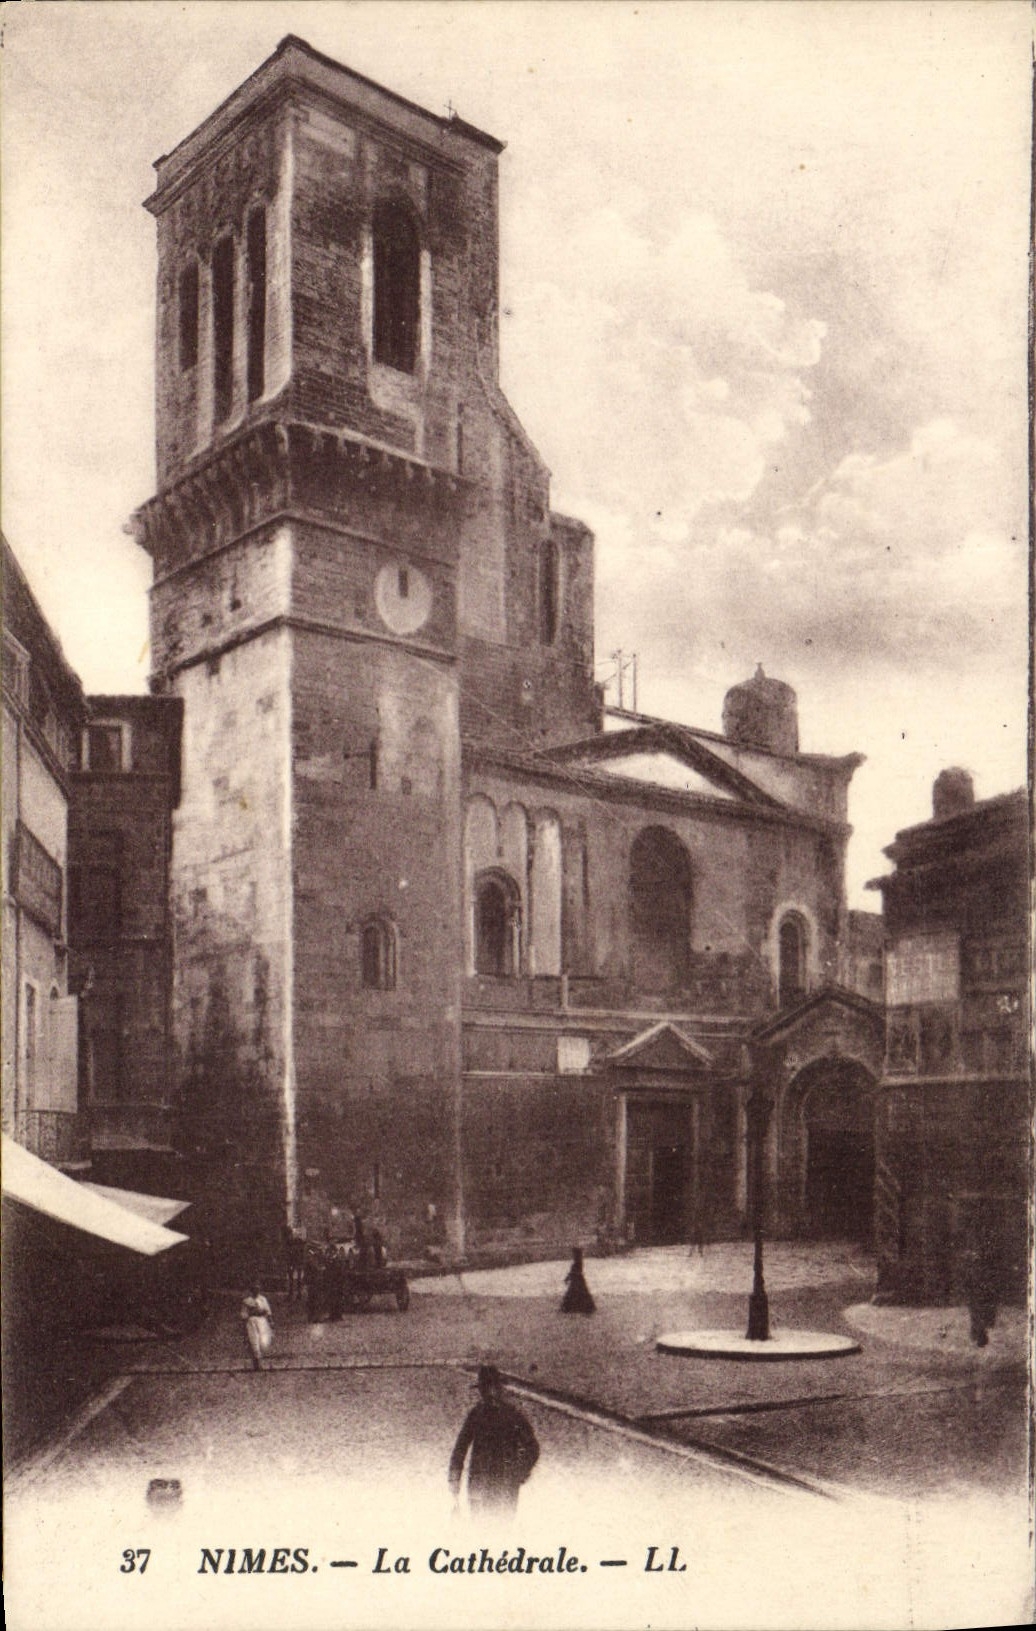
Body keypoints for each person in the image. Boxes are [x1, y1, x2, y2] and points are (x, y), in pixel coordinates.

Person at [448, 1364, 539, 1517]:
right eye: (483, 1389)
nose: (486, 1393)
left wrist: (519, 1473)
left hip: (500, 1488)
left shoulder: (511, 1416)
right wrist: (454, 1478)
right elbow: (461, 1447)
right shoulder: (478, 1414)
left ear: (497, 1388)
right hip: (486, 1488)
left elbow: (532, 1448)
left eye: (488, 1388)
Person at [240, 1283, 273, 1371]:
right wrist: (244, 1325)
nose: (256, 1291)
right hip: (252, 1322)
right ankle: (257, 1364)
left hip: (262, 1321)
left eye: (258, 1290)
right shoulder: (247, 1301)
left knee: (263, 1340)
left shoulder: (263, 1299)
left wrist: (270, 1321)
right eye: (254, 1290)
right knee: (254, 1340)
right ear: (251, 1291)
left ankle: (260, 1360)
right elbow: (244, 1314)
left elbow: (268, 1311)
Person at [560, 1246, 596, 1314]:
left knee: (573, 1294)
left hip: (576, 1280)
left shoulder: (577, 1262)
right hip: (579, 1280)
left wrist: (568, 1278)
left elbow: (574, 1271)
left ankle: (572, 1307)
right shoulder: (579, 1262)